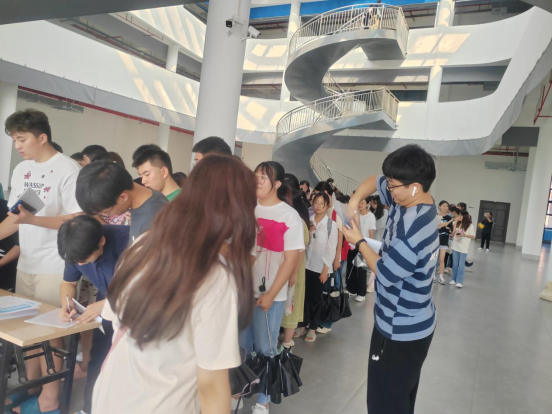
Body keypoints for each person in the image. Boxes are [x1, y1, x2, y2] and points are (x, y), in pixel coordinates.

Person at [92, 155, 257, 414]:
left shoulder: (143, 244)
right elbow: (212, 385)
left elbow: (115, 321)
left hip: (112, 396)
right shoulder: (214, 277)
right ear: (238, 209)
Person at [343, 144, 438, 414]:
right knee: (398, 400)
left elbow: (386, 273)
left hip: (400, 330)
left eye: (394, 186)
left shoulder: (414, 230)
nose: (388, 190)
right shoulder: (412, 198)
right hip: (409, 321)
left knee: (384, 403)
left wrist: (359, 241)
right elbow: (374, 181)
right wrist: (353, 203)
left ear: (415, 187)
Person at [0, 108, 83, 414]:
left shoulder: (67, 169)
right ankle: (32, 386)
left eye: (22, 139)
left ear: (42, 137)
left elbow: (78, 219)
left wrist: (33, 221)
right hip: (28, 263)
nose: (17, 146)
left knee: (52, 333)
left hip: (56, 264)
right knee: (27, 331)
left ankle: (50, 399)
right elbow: (17, 218)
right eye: (14, 140)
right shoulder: (23, 170)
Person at [241, 161, 304, 414]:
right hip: (244, 291)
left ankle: (263, 399)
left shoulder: (289, 216)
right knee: (242, 345)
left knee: (266, 347)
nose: (257, 181)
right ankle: (241, 389)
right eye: (255, 176)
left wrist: (271, 294)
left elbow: (290, 260)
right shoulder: (248, 208)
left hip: (270, 294)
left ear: (277, 184)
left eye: (263, 178)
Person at [57, 216, 129, 414]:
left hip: (137, 308)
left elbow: (144, 286)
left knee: (127, 365)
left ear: (102, 241)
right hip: (106, 306)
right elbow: (69, 283)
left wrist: (106, 305)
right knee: (97, 359)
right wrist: (66, 305)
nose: (80, 263)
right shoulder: (75, 249)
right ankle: (89, 409)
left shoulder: (128, 240)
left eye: (84, 260)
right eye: (76, 261)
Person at [75, 161, 168, 244]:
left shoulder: (153, 220)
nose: (106, 216)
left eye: (106, 212)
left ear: (123, 197)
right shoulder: (143, 201)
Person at [297, 192, 337, 342]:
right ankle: (302, 325)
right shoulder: (308, 221)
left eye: (322, 203)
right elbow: (301, 243)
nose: (318, 206)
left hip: (320, 268)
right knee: (304, 297)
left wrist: (325, 270)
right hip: (305, 265)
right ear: (312, 204)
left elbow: (331, 249)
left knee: (317, 299)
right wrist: (308, 232)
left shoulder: (331, 225)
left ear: (327, 206)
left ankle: (312, 328)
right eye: (316, 203)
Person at [280, 176, 310, 351]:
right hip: (282, 269)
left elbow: (300, 250)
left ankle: (286, 343)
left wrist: (293, 273)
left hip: (294, 271)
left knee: (291, 304)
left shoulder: (298, 221)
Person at [348, 196, 376, 302]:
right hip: (353, 244)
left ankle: (361, 293)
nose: (360, 204)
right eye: (359, 202)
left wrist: (368, 248)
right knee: (352, 268)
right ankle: (352, 289)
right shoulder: (355, 214)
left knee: (361, 270)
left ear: (368, 204)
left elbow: (371, 233)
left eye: (362, 203)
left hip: (363, 246)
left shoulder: (370, 216)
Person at [366, 195, 388, 293]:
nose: (372, 205)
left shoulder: (385, 213)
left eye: (374, 203)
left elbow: (378, 226)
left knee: (376, 263)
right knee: (371, 263)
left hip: (379, 241)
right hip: (372, 240)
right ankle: (370, 283)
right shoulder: (373, 212)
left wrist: (370, 221)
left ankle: (372, 285)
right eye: (372, 203)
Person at [450, 211, 475, 289]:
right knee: (454, 264)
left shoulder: (470, 225)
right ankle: (453, 279)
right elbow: (454, 233)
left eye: (461, 216)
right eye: (459, 216)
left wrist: (464, 235)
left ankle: (459, 281)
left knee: (461, 265)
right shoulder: (457, 223)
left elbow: (472, 236)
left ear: (465, 217)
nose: (459, 217)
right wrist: (455, 223)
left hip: (463, 248)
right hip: (455, 246)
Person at [436, 200, 453, 285]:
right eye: (443, 206)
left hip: (444, 240)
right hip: (434, 240)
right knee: (433, 259)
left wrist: (447, 228)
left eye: (446, 206)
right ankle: (432, 276)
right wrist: (443, 226)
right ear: (439, 206)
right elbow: (436, 227)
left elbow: (450, 230)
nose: (445, 208)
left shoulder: (449, 218)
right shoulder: (435, 216)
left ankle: (441, 277)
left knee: (442, 259)